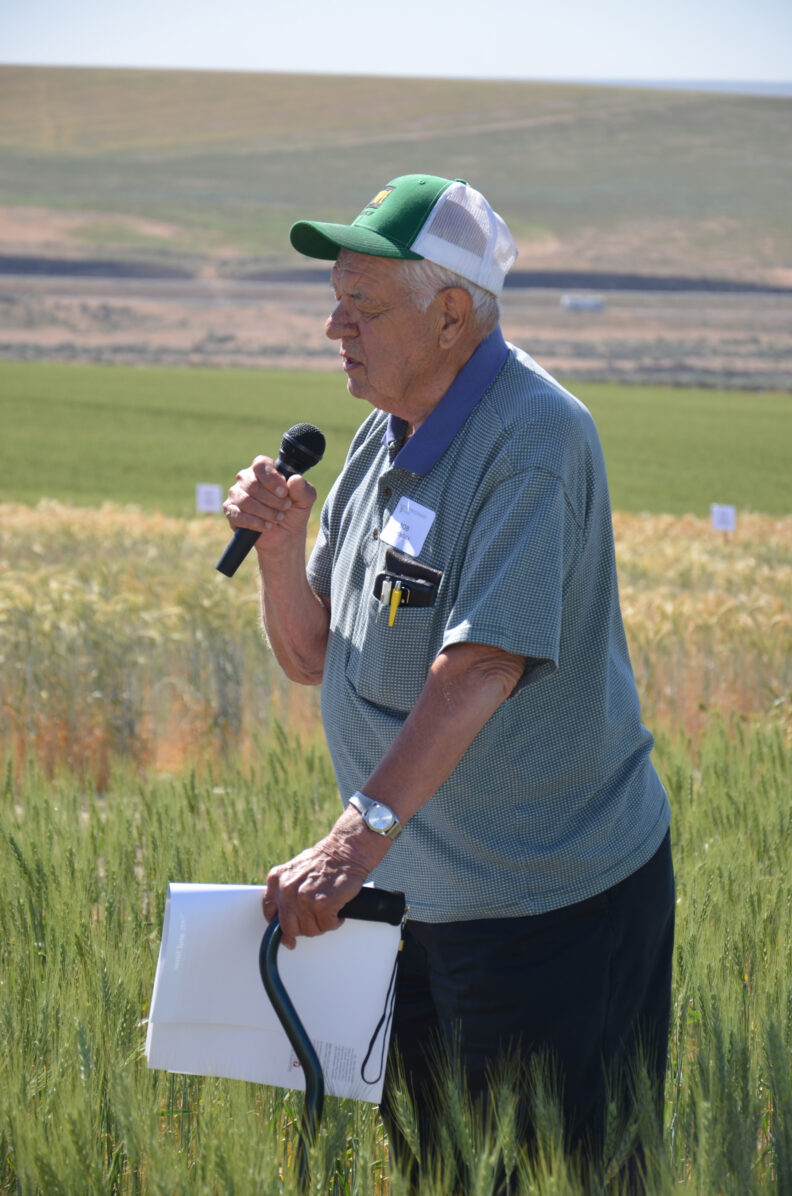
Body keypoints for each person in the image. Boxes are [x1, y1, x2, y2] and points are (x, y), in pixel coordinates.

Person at [223, 174, 674, 1181]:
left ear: (454, 313)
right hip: (413, 901)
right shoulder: (385, 434)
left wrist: (349, 844)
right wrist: (280, 547)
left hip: (545, 908)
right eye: (335, 298)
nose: (333, 326)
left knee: (561, 1170)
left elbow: (479, 668)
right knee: (443, 1169)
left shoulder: (536, 437)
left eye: (363, 305)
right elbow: (313, 655)